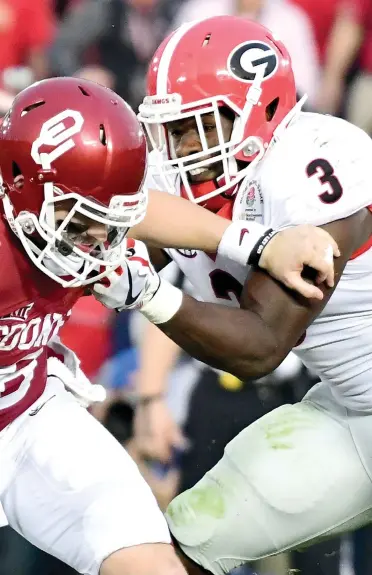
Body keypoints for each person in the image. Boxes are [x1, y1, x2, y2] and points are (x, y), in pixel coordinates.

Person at [0, 74, 335, 575]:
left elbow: (148, 211)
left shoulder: (82, 210)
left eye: (109, 222)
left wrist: (259, 244)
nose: (97, 240)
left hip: (28, 415)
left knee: (154, 564)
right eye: (79, 220)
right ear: (21, 183)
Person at [92, 15, 372, 575]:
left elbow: (261, 345)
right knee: (185, 545)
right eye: (171, 130)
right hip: (350, 411)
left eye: (197, 127)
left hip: (310, 383)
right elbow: (114, 217)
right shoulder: (181, 181)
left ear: (261, 114)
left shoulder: (314, 162)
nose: (179, 149)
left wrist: (142, 291)